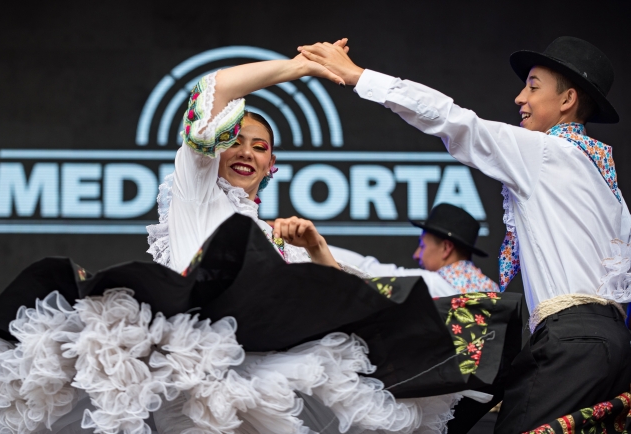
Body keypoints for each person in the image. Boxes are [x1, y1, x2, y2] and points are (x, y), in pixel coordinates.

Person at [298, 36, 631, 432]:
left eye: (533, 86)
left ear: (567, 100)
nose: (519, 97)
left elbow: (454, 120)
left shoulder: (545, 153)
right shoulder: (604, 180)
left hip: (571, 342)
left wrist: (359, 76)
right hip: (613, 343)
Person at [146, 43, 349, 273]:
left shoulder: (285, 244)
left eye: (260, 147)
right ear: (217, 149)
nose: (246, 153)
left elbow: (341, 299)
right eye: (234, 142)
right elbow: (216, 89)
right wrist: (298, 66)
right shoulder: (198, 194)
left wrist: (316, 247)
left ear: (270, 165)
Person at [329, 203, 498, 296]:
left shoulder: (432, 285)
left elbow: (366, 269)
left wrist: (314, 245)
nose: (416, 254)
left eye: (423, 245)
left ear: (446, 248)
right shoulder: (494, 291)